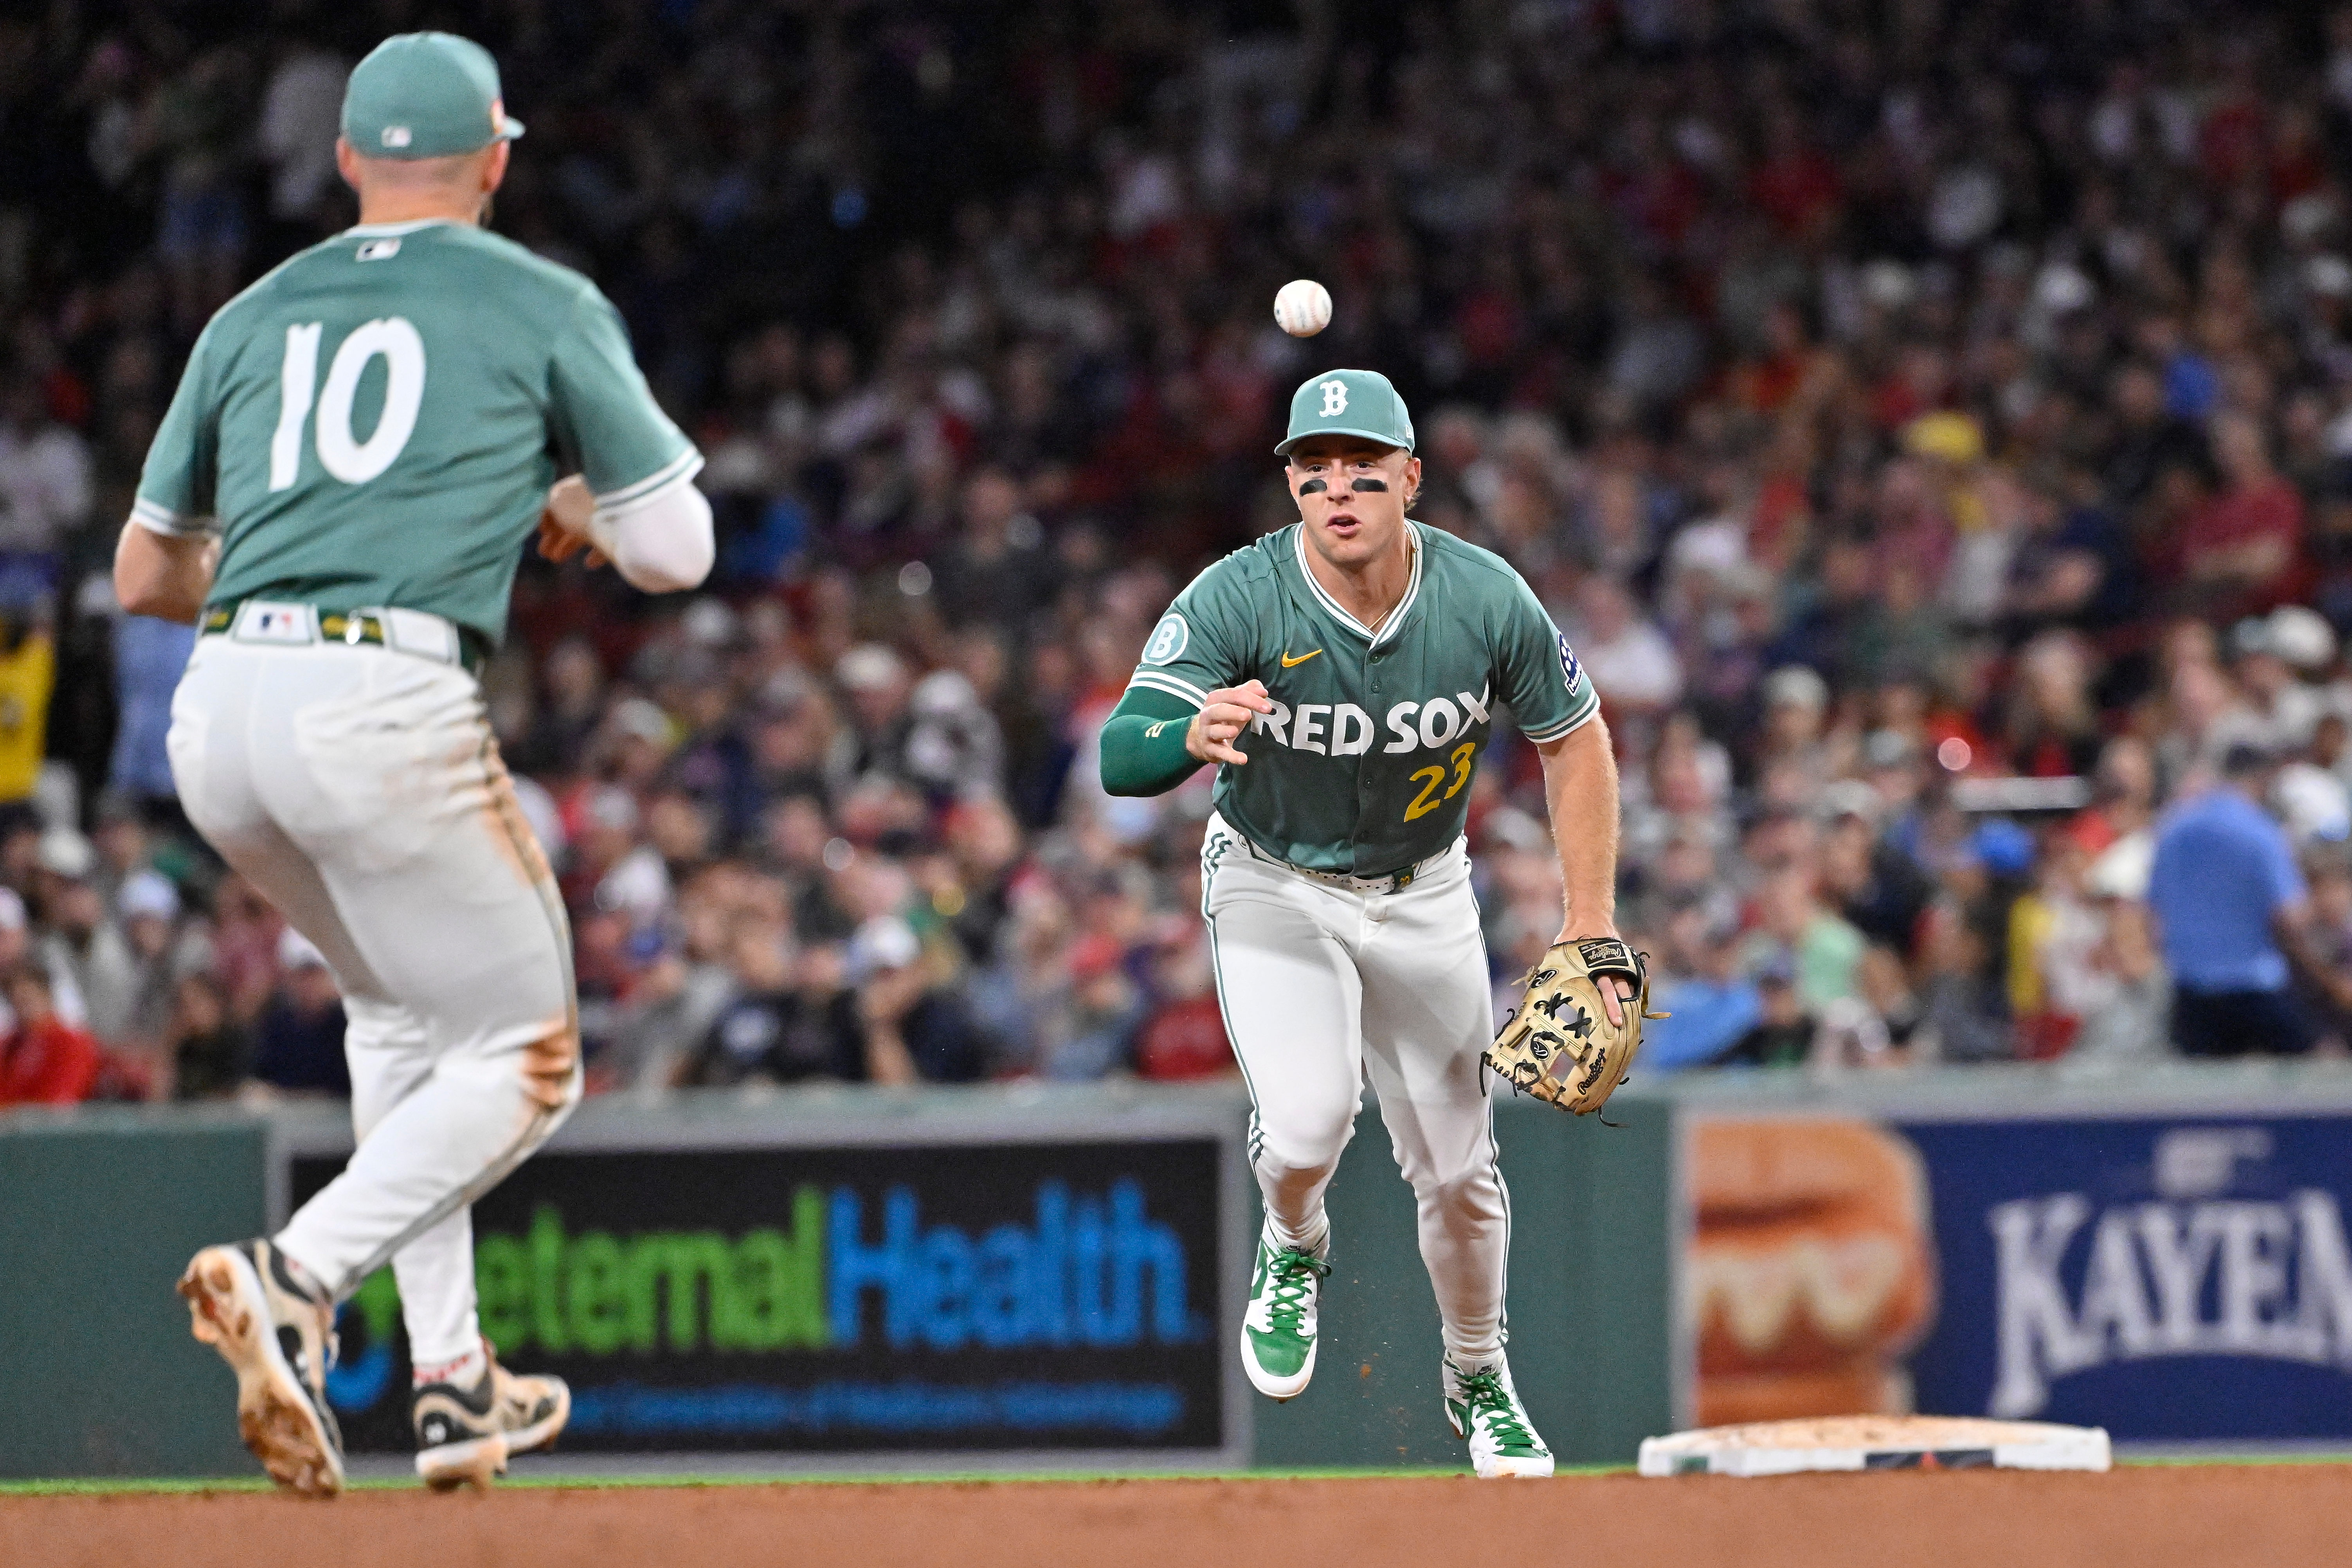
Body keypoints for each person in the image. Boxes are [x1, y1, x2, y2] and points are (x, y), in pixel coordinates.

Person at [113, 33, 713, 1496]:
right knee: (530, 1057)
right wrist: (573, 501)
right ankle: (294, 1275)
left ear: (344, 161)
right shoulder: (537, 298)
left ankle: (451, 1386)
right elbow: (675, 550)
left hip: (221, 709)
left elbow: (143, 572)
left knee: (398, 1013)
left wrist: (293, 593)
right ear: (495, 159)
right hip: (381, 701)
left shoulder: (251, 312)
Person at [1099, 368, 1626, 1479]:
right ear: (1291, 484)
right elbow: (1119, 752)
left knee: (1462, 1173)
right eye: (1313, 470)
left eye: (1364, 469)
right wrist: (1184, 734)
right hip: (1273, 881)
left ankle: (1478, 1376)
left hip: (1423, 889)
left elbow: (1573, 737)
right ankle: (1294, 1239)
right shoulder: (1241, 594)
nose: (1337, 489)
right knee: (1304, 1128)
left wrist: (1589, 921)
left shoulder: (1482, 596)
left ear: (1412, 480)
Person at [2146, 745, 2352, 1056]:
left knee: (2201, 1083)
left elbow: (2154, 911)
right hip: (2256, 988)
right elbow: (2292, 916)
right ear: (2261, 780)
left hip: (2193, 990)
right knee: (2318, 1064)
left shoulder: (2173, 830)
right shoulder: (2260, 832)